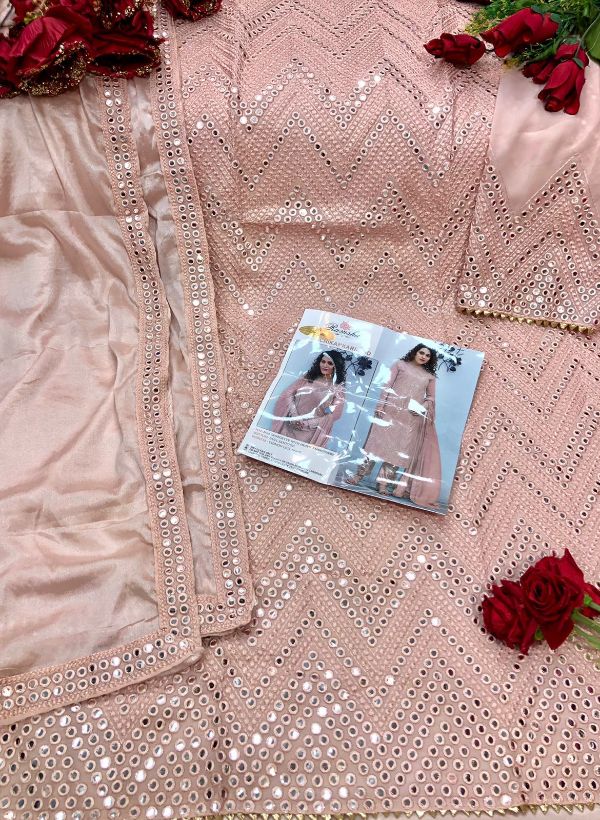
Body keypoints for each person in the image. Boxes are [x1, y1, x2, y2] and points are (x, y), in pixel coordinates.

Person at [345, 344, 442, 507]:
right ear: (415, 352)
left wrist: (423, 407)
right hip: (389, 412)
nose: (424, 357)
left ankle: (383, 484)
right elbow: (387, 386)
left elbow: (431, 398)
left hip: (410, 418)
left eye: (428, 356)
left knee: (396, 453)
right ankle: (358, 476)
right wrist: (380, 406)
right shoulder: (400, 365)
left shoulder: (429, 376)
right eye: (421, 353)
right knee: (375, 446)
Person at [270, 350, 346, 448]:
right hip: (289, 425)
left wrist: (307, 423)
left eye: (330, 363)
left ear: (336, 367)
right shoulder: (309, 377)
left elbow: (332, 413)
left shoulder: (338, 388)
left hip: (309, 434)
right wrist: (294, 415)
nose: (325, 365)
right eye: (323, 361)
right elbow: (289, 393)